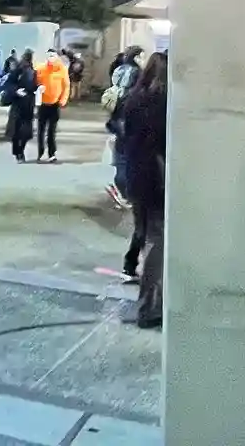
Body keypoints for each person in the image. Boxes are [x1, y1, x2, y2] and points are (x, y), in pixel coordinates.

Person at [118, 51, 167, 327]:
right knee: (156, 240)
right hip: (156, 179)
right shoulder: (163, 104)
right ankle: (149, 308)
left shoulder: (134, 100)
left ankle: (149, 301)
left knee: (144, 233)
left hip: (136, 177)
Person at [103, 45, 144, 207]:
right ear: (136, 57)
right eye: (141, 56)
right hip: (127, 116)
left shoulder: (119, 69)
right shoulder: (137, 73)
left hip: (116, 115)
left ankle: (120, 186)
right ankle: (125, 191)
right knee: (128, 157)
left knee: (120, 154)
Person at [34, 46, 70, 163]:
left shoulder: (62, 70)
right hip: (42, 103)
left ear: (57, 57)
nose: (51, 58)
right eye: (49, 56)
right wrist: (38, 88)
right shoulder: (40, 68)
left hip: (55, 104)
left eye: (53, 56)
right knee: (40, 130)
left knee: (51, 131)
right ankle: (40, 152)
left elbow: (66, 86)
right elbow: (35, 83)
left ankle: (51, 153)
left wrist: (63, 100)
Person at [1, 48, 37, 162]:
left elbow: (35, 85)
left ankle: (20, 152)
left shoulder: (33, 71)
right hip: (18, 104)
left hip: (28, 103)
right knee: (16, 131)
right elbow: (9, 84)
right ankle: (18, 151)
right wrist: (16, 91)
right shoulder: (17, 71)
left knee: (25, 132)